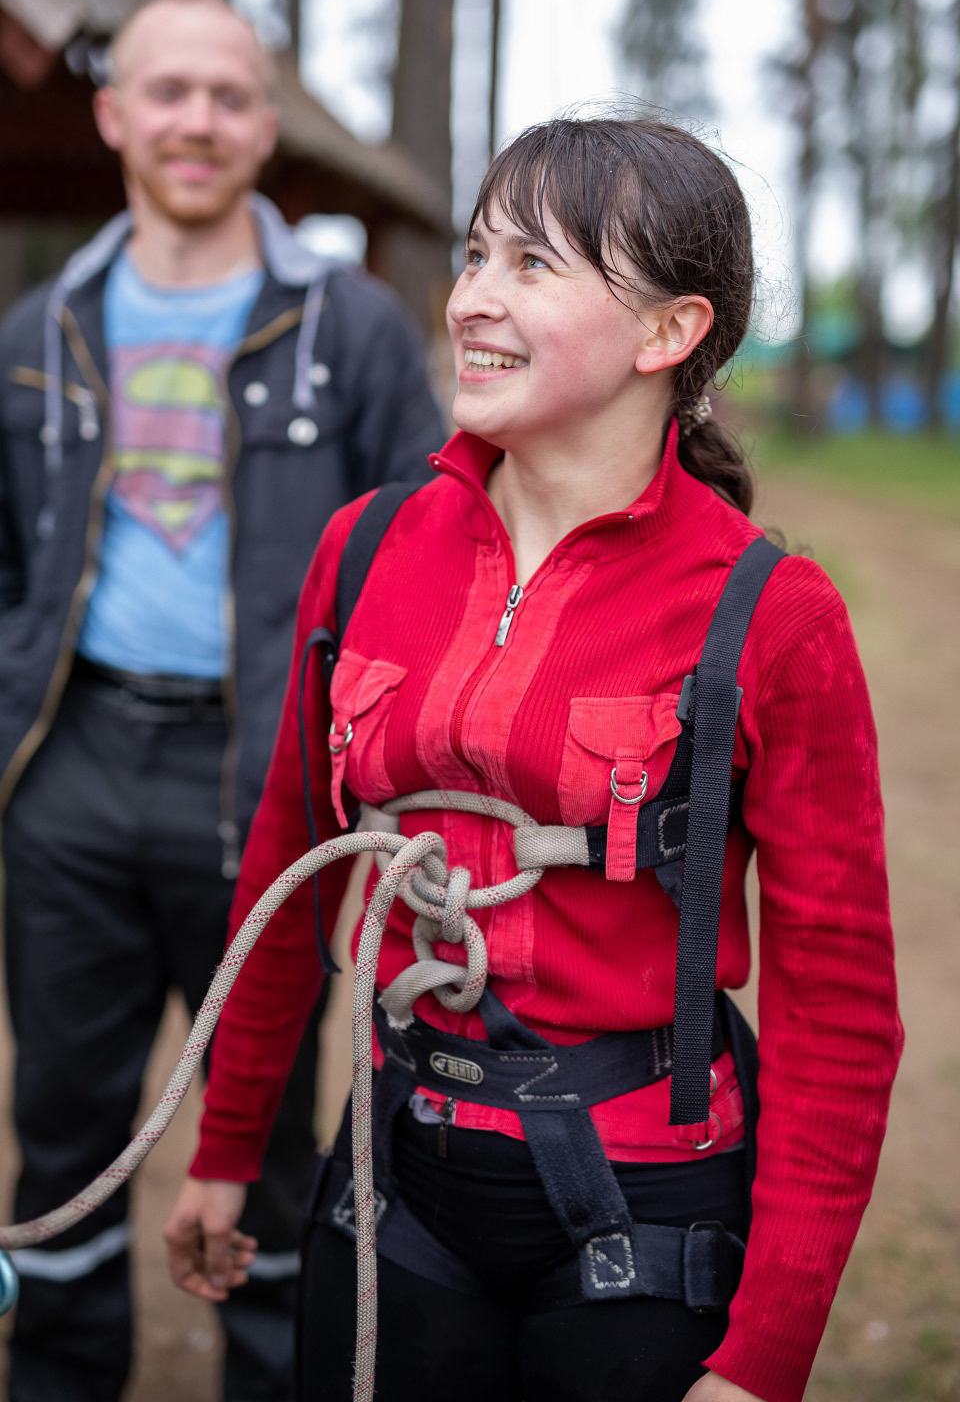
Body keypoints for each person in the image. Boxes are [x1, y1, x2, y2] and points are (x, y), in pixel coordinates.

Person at [165, 116, 903, 1402]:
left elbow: (840, 1006)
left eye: (534, 265)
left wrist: (766, 1355)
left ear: (668, 333)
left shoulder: (773, 616)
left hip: (651, 1207)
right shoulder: (367, 546)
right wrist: (228, 1144)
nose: (471, 301)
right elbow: (289, 858)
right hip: (396, 1169)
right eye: (474, 254)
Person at [0, 0, 443, 1402]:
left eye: (230, 96)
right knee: (59, 1130)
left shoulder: (353, 329)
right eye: (169, 92)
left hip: (269, 792)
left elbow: (426, 556)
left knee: (265, 1140)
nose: (198, 121)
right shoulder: (39, 326)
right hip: (69, 781)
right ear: (114, 114)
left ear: (268, 129)